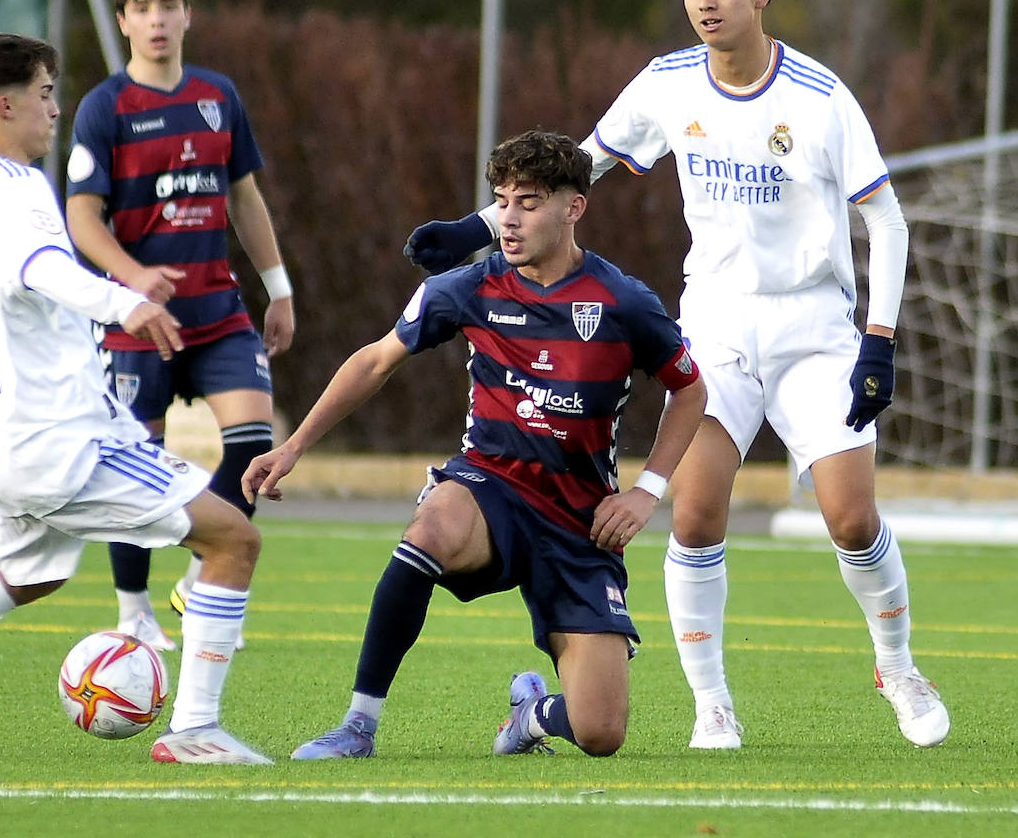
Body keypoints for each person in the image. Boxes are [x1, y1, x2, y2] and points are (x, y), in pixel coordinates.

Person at [402, 0, 949, 750]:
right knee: (694, 516)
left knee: (850, 519)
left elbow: (888, 219)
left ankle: (898, 667)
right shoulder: (667, 83)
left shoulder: (820, 97)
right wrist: (474, 230)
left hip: (813, 327)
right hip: (719, 322)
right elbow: (576, 166)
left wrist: (879, 342)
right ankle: (712, 705)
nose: (706, 1)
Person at [0, 33, 270, 765]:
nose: (56, 110)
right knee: (233, 540)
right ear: (5, 105)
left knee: (33, 574)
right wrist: (124, 303)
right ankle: (195, 731)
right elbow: (42, 268)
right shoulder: (17, 186)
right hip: (62, 441)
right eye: (45, 93)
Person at [243, 130, 707, 760]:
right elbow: (375, 361)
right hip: (492, 486)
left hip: (580, 521)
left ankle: (532, 715)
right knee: (430, 529)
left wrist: (646, 492)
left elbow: (690, 391)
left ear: (574, 207)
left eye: (529, 203)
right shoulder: (467, 287)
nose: (509, 219)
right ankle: (358, 726)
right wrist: (293, 446)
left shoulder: (624, 302)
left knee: (601, 733)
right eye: (502, 201)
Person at [65, 0, 295, 650]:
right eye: (142, 8)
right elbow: (81, 217)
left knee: (253, 443)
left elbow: (245, 198)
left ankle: (200, 579)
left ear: (188, 15)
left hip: (218, 313)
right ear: (122, 22)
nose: (157, 20)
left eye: (168, 5)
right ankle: (133, 612)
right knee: (136, 460)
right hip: (139, 326)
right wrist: (133, 276)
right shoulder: (105, 107)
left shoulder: (218, 96)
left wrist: (279, 288)